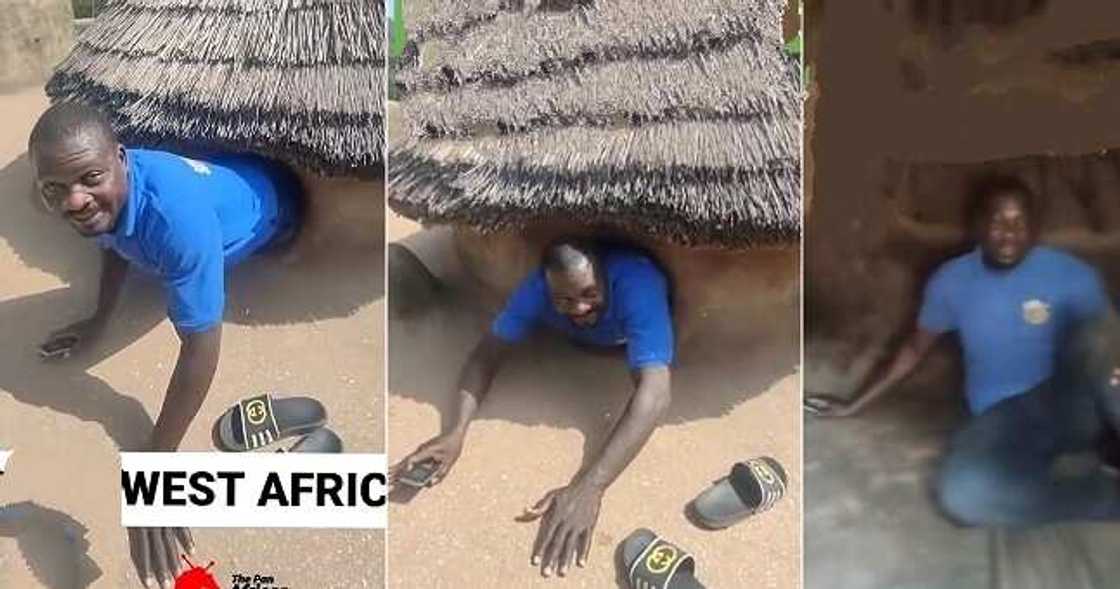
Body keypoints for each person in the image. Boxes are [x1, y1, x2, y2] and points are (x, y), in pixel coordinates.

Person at [28, 101, 301, 587]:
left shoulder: (176, 222)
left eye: (90, 177)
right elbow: (114, 241)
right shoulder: (101, 195)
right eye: (55, 190)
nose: (74, 200)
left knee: (182, 253)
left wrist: (156, 467)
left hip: (277, 212)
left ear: (121, 156)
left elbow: (201, 348)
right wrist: (98, 320)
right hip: (229, 182)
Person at [806, 175, 1120, 527]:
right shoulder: (951, 281)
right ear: (978, 225)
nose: (1009, 231)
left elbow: (1106, 346)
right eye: (997, 219)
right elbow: (913, 348)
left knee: (1103, 332)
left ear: (1035, 227)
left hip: (1075, 406)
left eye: (1020, 221)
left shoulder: (1071, 275)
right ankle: (1106, 498)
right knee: (963, 493)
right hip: (1002, 420)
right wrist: (854, 404)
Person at [390, 237, 675, 577]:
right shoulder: (536, 290)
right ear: (548, 290)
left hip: (624, 339)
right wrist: (455, 431)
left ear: (604, 277)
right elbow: (485, 355)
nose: (580, 307)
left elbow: (655, 394)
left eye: (589, 293)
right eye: (565, 299)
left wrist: (590, 487)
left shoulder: (638, 284)